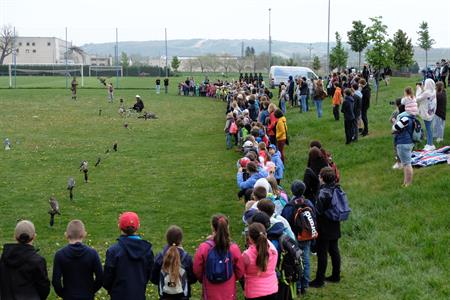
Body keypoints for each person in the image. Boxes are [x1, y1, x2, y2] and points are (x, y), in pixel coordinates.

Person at [103, 211, 154, 300]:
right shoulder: (147, 251)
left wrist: (113, 290)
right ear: (138, 226)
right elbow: (149, 274)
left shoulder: (113, 251)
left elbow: (107, 278)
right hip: (139, 295)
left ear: (119, 226)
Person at [193, 214, 244, 300]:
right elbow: (240, 270)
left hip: (210, 288)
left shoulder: (204, 247)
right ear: (227, 227)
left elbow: (197, 269)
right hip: (228, 287)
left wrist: (204, 278)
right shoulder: (233, 248)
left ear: (212, 227)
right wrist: (233, 277)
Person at [52, 220, 103, 300]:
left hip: (69, 296)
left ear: (66, 235)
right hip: (87, 296)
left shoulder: (60, 255)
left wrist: (63, 294)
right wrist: (91, 291)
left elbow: (56, 281)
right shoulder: (92, 253)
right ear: (84, 234)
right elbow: (100, 278)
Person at [0, 220, 50, 300]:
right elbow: (43, 287)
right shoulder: (38, 261)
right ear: (34, 236)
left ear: (14, 236)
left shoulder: (4, 257)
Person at [310, 167, 342, 288]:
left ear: (322, 178)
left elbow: (318, 211)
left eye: (319, 176)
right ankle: (336, 275)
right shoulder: (337, 188)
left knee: (322, 253)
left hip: (324, 226)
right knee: (334, 250)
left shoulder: (323, 193)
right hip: (335, 222)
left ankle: (319, 280)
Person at [151, 225, 196, 300]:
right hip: (183, 296)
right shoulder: (187, 258)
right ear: (181, 240)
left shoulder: (160, 257)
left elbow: (153, 278)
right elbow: (193, 279)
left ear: (167, 239)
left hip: (164, 296)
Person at [242, 222, 278, 300]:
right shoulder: (273, 249)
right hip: (272, 290)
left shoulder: (246, 255)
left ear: (250, 238)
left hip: (253, 293)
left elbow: (240, 271)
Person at [392, 105, 414, 186]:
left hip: (403, 142)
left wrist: (395, 122)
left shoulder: (405, 118)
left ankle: (408, 183)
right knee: (405, 164)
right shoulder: (411, 117)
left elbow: (395, 128)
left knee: (407, 164)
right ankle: (405, 182)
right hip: (408, 142)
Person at [416, 79, 437, 150]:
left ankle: (430, 144)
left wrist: (418, 89)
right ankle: (429, 143)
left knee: (428, 129)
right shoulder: (433, 91)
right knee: (429, 128)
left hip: (426, 112)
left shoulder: (426, 93)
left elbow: (417, 99)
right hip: (431, 111)